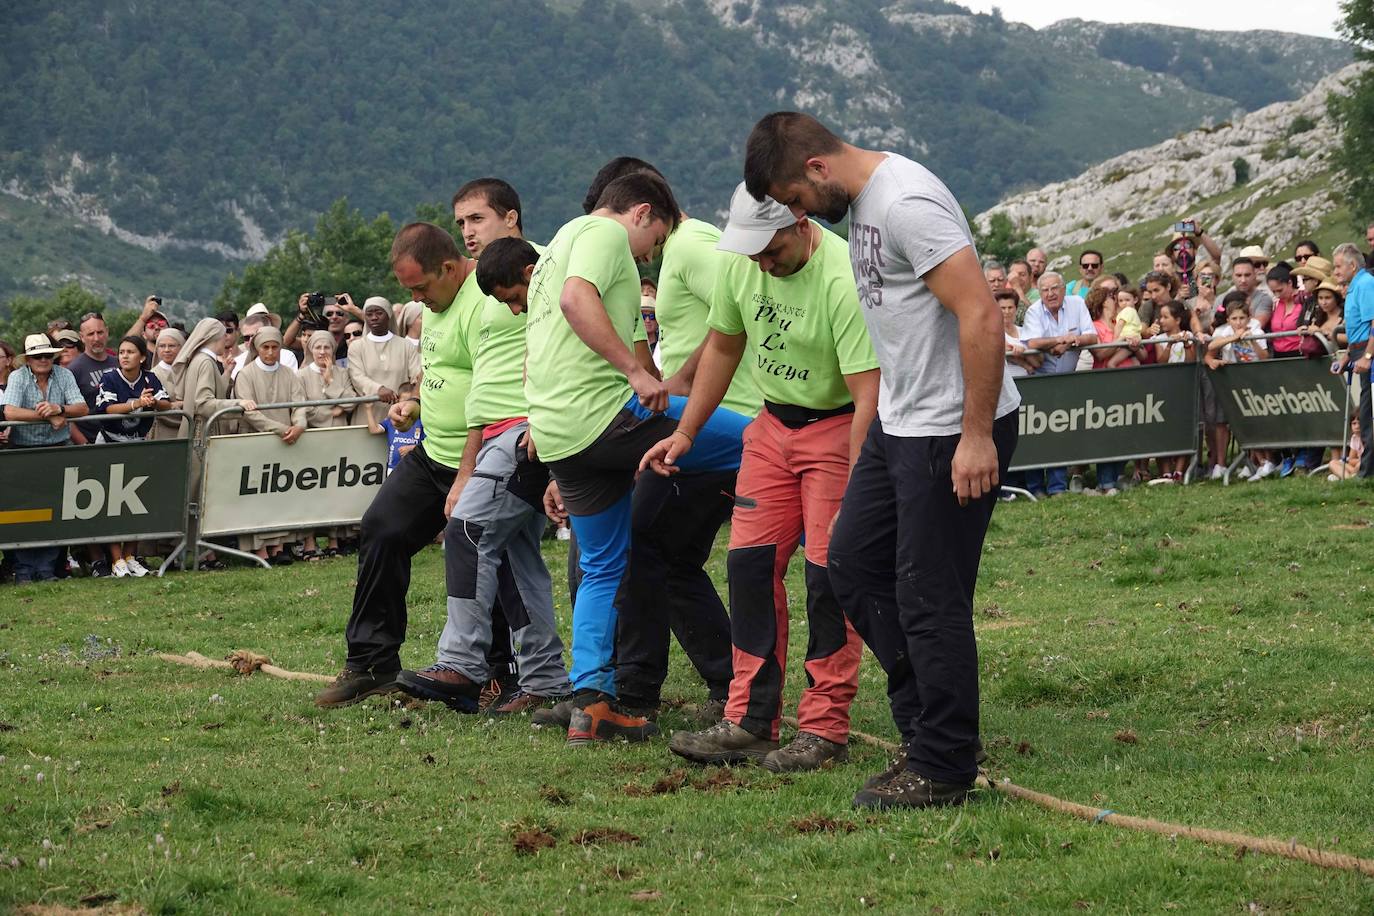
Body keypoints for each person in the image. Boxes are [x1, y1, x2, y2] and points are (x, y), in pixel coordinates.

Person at [742, 111, 1020, 808]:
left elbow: (981, 314)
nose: (804, 216)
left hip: (950, 429)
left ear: (815, 169)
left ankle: (944, 763)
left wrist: (976, 435)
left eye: (799, 202)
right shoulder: (865, 205)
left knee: (930, 597)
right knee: (854, 568)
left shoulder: (907, 202)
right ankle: (928, 722)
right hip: (900, 422)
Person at [642, 183, 875, 772]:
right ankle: (750, 719)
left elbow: (867, 393)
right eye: (752, 252)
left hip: (837, 430)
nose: (762, 264)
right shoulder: (740, 265)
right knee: (748, 568)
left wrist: (861, 481)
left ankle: (824, 728)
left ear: (800, 223)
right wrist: (686, 432)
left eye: (770, 251)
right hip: (771, 428)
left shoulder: (843, 279)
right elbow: (722, 347)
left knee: (830, 578)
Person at [521, 171, 748, 746]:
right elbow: (579, 301)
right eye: (655, 240)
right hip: (610, 414)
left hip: (561, 432)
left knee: (602, 566)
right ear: (642, 213)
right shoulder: (603, 234)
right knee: (766, 443)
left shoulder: (554, 248)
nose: (649, 258)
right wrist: (633, 371)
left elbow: (543, 337)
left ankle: (592, 702)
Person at [313, 223, 523, 710]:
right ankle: (371, 662)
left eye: (421, 287)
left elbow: (489, 393)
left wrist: (467, 473)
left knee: (478, 555)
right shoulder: (437, 306)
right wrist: (414, 402)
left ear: (449, 269)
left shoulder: (486, 303)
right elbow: (442, 372)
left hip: (479, 457)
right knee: (381, 528)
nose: (416, 298)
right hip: (434, 453)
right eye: (408, 289)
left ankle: (493, 673)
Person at [392, 177, 571, 717]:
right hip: (493, 434)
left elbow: (561, 352)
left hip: (527, 434)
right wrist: (466, 466)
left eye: (478, 219)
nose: (467, 231)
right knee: (519, 561)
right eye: (462, 222)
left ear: (511, 218)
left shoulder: (539, 270)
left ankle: (464, 665)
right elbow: (483, 384)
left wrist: (549, 429)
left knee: (468, 532)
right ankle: (545, 680)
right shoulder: (481, 286)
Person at [2, 335, 89, 582]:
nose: (42, 360)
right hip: (23, 450)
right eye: (37, 356)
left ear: (53, 356)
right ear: (27, 359)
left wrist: (59, 409)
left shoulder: (64, 375)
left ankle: (47, 568)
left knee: (55, 510)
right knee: (22, 513)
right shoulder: (18, 377)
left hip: (57, 449)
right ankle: (24, 569)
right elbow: (9, 411)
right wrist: (47, 415)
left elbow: (82, 408)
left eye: (47, 355)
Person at [92, 336, 171, 576]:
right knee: (112, 502)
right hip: (110, 444)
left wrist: (154, 402)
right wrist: (137, 402)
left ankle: (131, 555)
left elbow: (168, 403)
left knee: (136, 502)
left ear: (142, 357)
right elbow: (107, 408)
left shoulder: (150, 378)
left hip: (138, 445)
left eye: (130, 352)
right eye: (121, 351)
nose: (124, 356)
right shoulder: (110, 378)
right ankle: (116, 560)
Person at [231, 327, 308, 566]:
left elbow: (301, 403)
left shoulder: (289, 374)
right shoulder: (246, 374)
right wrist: (281, 429)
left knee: (282, 494)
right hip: (257, 441)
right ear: (257, 348)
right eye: (265, 347)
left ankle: (279, 545)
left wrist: (299, 425)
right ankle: (259, 548)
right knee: (256, 496)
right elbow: (250, 414)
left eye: (275, 347)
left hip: (287, 441)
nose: (271, 352)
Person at [1021, 271, 1097, 496]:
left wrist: (1072, 340)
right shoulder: (1034, 310)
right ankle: (1035, 488)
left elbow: (1091, 337)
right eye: (1045, 290)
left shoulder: (1077, 303)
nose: (1050, 293)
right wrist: (1059, 340)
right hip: (1039, 381)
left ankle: (1057, 486)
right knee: (1036, 433)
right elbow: (1033, 341)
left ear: (1064, 289)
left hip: (1067, 380)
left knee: (1060, 432)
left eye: (1055, 288)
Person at [298, 328, 359, 559]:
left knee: (336, 487)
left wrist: (331, 382)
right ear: (310, 349)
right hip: (314, 439)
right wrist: (333, 410)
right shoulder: (302, 375)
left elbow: (352, 402)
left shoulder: (342, 373)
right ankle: (310, 541)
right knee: (312, 489)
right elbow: (305, 408)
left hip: (339, 438)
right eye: (318, 347)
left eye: (326, 347)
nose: (322, 352)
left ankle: (334, 539)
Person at [1332, 243, 1374, 477]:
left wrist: (1367, 356)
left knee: (1369, 413)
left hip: (1370, 353)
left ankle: (1367, 473)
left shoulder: (1366, 284)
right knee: (1367, 412)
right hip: (1359, 350)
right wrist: (1347, 357)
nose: (1335, 271)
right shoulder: (1352, 287)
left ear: (1353, 265)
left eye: (1338, 266)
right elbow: (1356, 330)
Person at [347, 297, 420, 405]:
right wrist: (378, 389)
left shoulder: (405, 345)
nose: (374, 318)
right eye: (369, 314)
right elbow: (356, 376)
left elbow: (416, 374)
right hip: (369, 410)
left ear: (389, 315)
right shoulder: (356, 347)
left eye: (379, 313)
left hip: (401, 409)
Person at [67, 311, 118, 445]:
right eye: (90, 334)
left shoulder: (119, 363)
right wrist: (85, 445)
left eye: (100, 332)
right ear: (82, 337)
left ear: (107, 332)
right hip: (91, 442)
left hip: (121, 438)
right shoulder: (73, 370)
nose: (96, 338)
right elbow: (67, 416)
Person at [367, 381, 424, 472]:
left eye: (410, 402)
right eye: (404, 401)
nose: (406, 406)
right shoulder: (392, 420)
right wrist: (368, 409)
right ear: (398, 401)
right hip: (393, 468)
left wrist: (412, 448)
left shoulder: (421, 421)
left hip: (415, 468)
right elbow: (374, 430)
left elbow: (429, 444)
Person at [232, 310, 298, 378]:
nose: (251, 341)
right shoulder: (237, 362)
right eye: (246, 337)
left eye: (255, 336)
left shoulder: (287, 357)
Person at [148, 328, 186, 441]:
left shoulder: (189, 370)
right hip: (162, 430)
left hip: (188, 427)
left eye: (172, 346)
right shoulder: (153, 374)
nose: (167, 350)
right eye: (162, 346)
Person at [1328, 414, 1361, 481]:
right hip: (1358, 466)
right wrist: (1360, 461)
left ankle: (1342, 476)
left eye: (1360, 423)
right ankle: (1349, 478)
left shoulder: (1370, 437)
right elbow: (1351, 460)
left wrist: (1362, 462)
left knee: (1360, 465)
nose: (1357, 426)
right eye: (1354, 423)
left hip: (1368, 467)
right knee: (1333, 463)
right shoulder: (1354, 438)